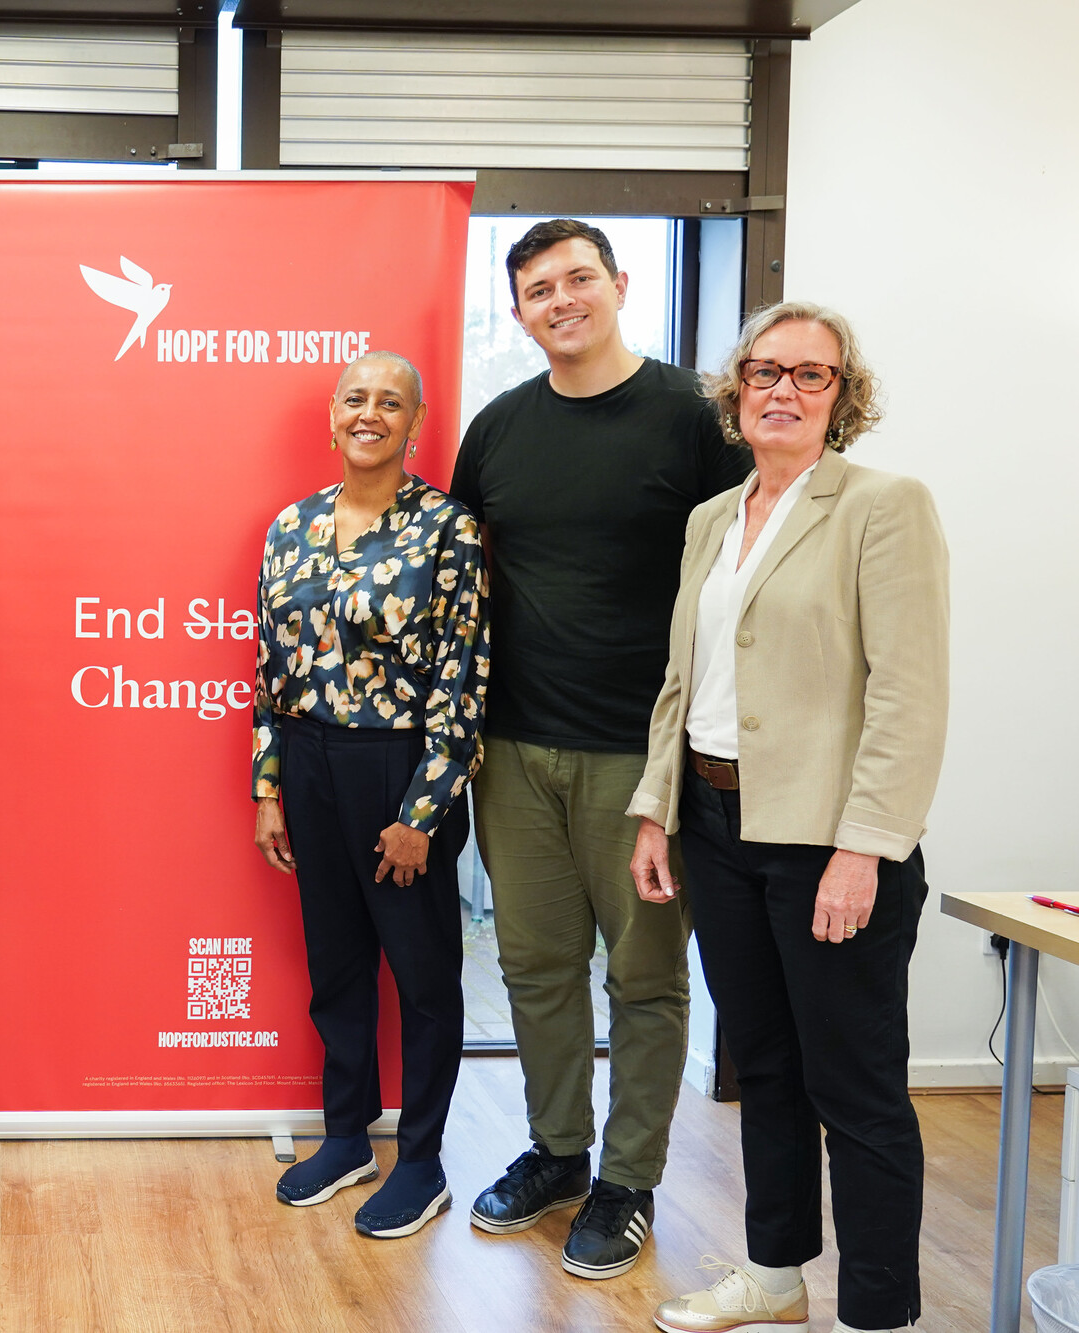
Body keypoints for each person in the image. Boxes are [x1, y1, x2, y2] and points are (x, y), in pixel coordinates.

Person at [445, 219, 751, 1279]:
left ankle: (628, 1181)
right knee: (531, 962)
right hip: (514, 749)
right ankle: (558, 1151)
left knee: (643, 977)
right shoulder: (493, 431)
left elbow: (746, 573)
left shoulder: (692, 420)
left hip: (643, 756)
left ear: (619, 286)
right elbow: (468, 575)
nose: (560, 299)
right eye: (538, 287)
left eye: (579, 278)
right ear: (519, 310)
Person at [632, 303, 945, 1333]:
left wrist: (864, 847)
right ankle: (773, 1276)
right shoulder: (710, 520)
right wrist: (654, 812)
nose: (781, 388)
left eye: (810, 375)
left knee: (852, 1088)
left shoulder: (881, 505)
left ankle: (877, 1312)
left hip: (828, 843)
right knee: (759, 1063)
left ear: (841, 397)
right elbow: (684, 680)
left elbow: (908, 694)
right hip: (716, 832)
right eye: (763, 370)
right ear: (734, 390)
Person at [250, 351, 489, 1239]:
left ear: (415, 421)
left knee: (424, 976)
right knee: (337, 964)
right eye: (357, 398)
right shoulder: (291, 526)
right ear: (332, 413)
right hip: (309, 763)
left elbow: (465, 679)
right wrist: (269, 786)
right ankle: (346, 1135)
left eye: (391, 402)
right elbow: (272, 668)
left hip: (400, 771)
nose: (371, 413)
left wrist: (422, 812)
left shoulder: (447, 529)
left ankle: (420, 1157)